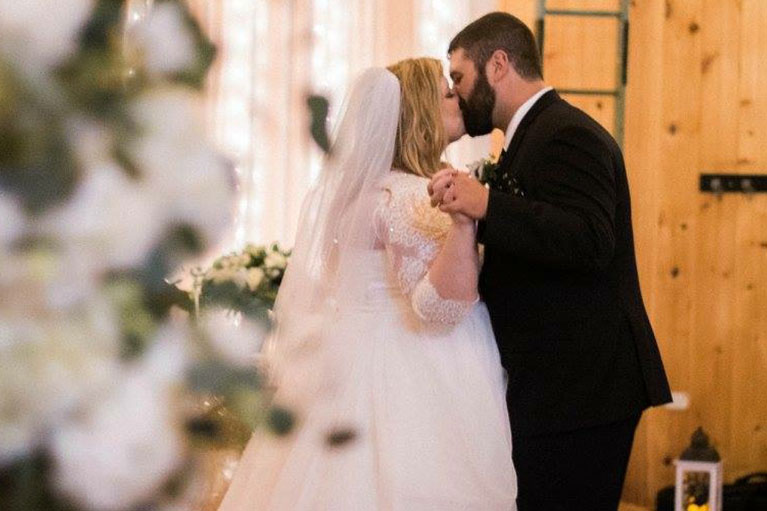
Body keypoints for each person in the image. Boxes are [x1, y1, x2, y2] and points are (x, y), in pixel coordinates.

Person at [216, 59, 517, 511]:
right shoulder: (415, 197)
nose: (458, 98)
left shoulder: (363, 193)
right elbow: (437, 311)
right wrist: (461, 224)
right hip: (418, 376)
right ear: (419, 112)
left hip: (345, 362)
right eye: (445, 92)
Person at [428, 12, 672, 511]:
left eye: (459, 76)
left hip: (583, 388)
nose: (455, 91)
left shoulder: (566, 134)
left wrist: (488, 205)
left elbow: (590, 239)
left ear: (497, 65)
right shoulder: (531, 134)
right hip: (558, 386)